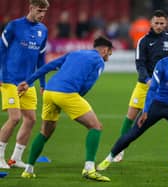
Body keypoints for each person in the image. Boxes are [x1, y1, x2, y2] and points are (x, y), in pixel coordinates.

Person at [97, 32, 168, 176]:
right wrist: (146, 110)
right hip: (157, 106)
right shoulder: (163, 65)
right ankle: (108, 159)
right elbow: (153, 88)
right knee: (133, 134)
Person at [17, 36, 113, 182]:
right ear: (105, 50)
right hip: (66, 93)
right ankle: (89, 169)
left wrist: (28, 82)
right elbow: (88, 84)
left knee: (45, 132)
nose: (109, 57)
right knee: (96, 127)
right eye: (109, 53)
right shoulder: (98, 61)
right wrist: (75, 100)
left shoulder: (75, 53)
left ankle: (28, 170)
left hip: (49, 92)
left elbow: (48, 66)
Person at [114, 10, 168, 163]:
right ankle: (120, 151)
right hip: (145, 85)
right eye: (156, 23)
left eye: (161, 23)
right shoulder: (143, 41)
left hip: (165, 87)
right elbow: (140, 64)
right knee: (130, 116)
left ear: (166, 24)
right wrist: (147, 79)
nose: (159, 26)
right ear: (151, 23)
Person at [0, 0, 49, 169]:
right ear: (31, 8)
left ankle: (15, 158)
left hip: (28, 82)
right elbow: (1, 50)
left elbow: (41, 59)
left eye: (44, 12)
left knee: (31, 119)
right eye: (39, 11)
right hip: (9, 80)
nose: (42, 15)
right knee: (14, 118)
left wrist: (42, 82)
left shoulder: (43, 31)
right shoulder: (14, 26)